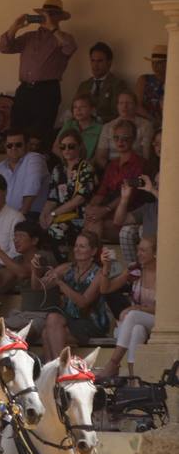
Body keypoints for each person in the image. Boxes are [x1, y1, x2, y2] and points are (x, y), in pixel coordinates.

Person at [0, 0, 77, 148]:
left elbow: (70, 48)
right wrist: (14, 27)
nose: (47, 17)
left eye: (52, 14)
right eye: (45, 14)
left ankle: (38, 167)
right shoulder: (29, 37)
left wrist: (53, 28)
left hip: (47, 91)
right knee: (17, 134)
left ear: (59, 17)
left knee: (39, 137)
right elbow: (4, 48)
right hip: (24, 90)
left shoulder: (63, 38)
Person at [40, 231, 111, 359]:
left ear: (94, 251)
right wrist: (35, 271)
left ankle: (58, 366)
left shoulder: (99, 273)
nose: (77, 249)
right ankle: (56, 369)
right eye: (76, 245)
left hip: (90, 323)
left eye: (82, 246)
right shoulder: (67, 268)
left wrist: (60, 283)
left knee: (53, 320)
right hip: (70, 320)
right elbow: (39, 286)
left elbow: (83, 302)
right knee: (47, 332)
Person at [99, 235, 157, 378]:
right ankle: (133, 378)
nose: (138, 254)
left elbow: (164, 310)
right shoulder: (136, 270)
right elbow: (105, 289)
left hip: (160, 321)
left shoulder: (164, 274)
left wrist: (136, 308)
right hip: (140, 322)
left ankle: (113, 364)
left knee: (132, 315)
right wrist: (106, 267)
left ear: (155, 253)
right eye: (138, 250)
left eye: (143, 250)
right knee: (137, 329)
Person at [83, 121, 147, 242]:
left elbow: (130, 195)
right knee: (91, 219)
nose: (120, 142)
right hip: (109, 211)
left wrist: (105, 209)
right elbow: (102, 191)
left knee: (95, 223)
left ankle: (93, 257)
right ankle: (92, 256)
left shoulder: (140, 164)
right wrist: (91, 207)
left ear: (133, 139)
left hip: (128, 214)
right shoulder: (112, 164)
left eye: (125, 138)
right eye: (116, 138)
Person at [41, 128, 96, 258]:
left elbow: (80, 199)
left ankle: (65, 266)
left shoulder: (86, 168)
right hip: (61, 216)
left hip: (79, 216)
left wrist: (53, 214)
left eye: (71, 146)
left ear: (79, 147)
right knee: (40, 226)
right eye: (63, 147)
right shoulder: (58, 169)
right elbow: (52, 197)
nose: (66, 150)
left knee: (56, 229)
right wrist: (43, 215)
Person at [0, 128, 47, 218]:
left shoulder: (34, 158)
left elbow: (32, 188)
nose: (13, 148)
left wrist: (20, 215)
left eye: (18, 145)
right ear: (5, 147)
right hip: (3, 217)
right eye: (9, 145)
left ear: (27, 145)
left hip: (30, 215)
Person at [77, 42, 130, 123]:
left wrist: (97, 120)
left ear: (109, 62)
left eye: (100, 61)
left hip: (105, 127)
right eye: (93, 60)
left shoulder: (118, 84)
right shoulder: (84, 85)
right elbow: (74, 108)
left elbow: (118, 113)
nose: (95, 65)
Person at [54, 95, 103, 162]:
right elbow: (55, 147)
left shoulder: (100, 128)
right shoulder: (69, 124)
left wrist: (85, 166)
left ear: (92, 109)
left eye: (82, 107)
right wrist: (67, 160)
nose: (78, 110)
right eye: (75, 107)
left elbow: (98, 154)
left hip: (87, 165)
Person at [139, 44, 167, 124]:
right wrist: (153, 120)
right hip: (146, 122)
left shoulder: (173, 83)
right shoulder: (144, 79)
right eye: (153, 62)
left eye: (159, 63)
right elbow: (136, 105)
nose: (155, 66)